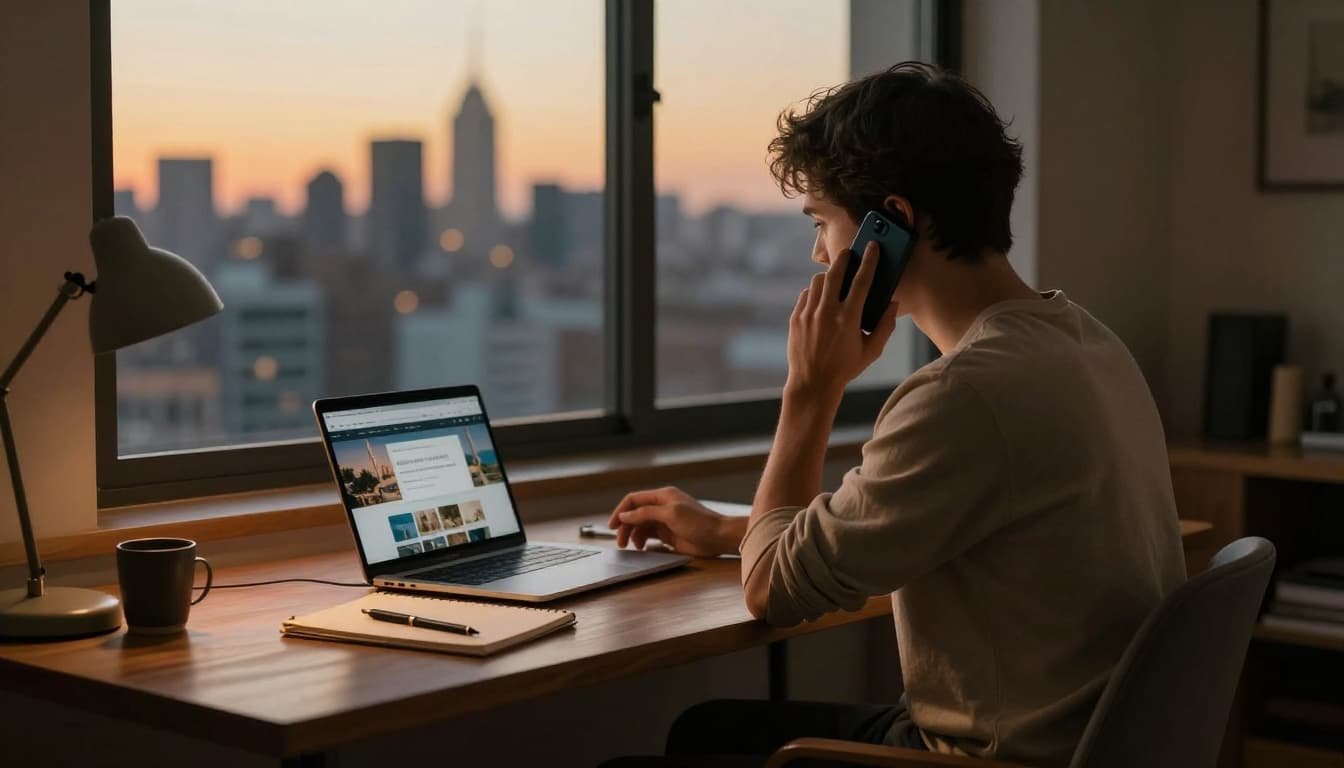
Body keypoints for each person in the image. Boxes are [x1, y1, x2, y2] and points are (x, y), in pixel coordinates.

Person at [601, 62, 1186, 767]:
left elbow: (771, 591)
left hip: (983, 757)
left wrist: (810, 391)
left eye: (824, 223)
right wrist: (731, 529)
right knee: (709, 731)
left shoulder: (964, 393)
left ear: (892, 223)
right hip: (1076, 742)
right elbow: (894, 521)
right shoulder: (1087, 341)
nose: (819, 254)